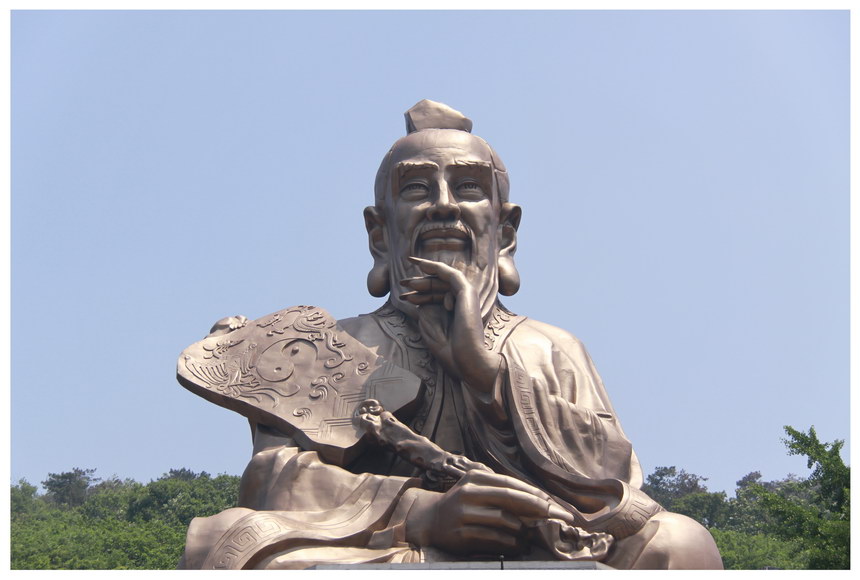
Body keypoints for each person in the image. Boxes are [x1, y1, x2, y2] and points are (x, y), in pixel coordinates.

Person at [178, 100, 723, 569]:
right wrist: (424, 513)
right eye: (417, 188)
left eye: (468, 187)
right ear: (379, 233)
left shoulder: (548, 347)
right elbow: (272, 479)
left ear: (505, 233)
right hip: (394, 547)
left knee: (680, 542)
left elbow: (616, 482)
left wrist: (486, 372)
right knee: (225, 539)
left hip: (545, 544)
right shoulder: (333, 345)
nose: (444, 204)